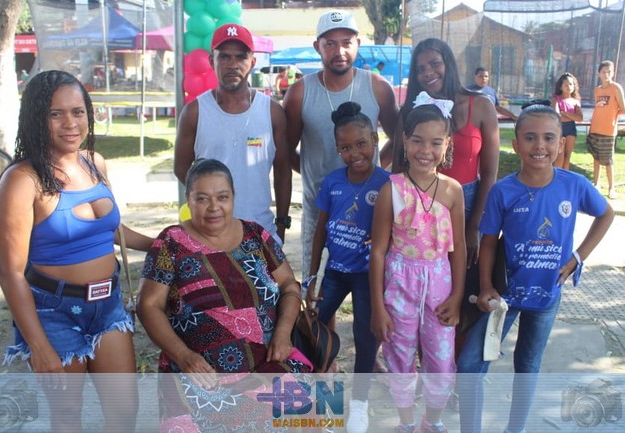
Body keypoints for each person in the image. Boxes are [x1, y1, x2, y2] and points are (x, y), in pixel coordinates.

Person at [0, 70, 154, 433]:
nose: (71, 123)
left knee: (124, 411)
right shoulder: (22, 180)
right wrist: (39, 346)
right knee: (68, 417)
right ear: (37, 118)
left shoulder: (94, 162)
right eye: (56, 114)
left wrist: (161, 242)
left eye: (78, 112)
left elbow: (110, 229)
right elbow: (10, 273)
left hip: (108, 305)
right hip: (53, 312)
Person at [457, 105, 614, 433]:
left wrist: (577, 257)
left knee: (528, 366)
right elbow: (489, 243)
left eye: (548, 138)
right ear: (516, 145)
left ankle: (516, 429)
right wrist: (485, 286)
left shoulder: (574, 185)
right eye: (530, 137)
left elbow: (606, 214)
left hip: (546, 298)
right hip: (504, 296)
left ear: (561, 144)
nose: (539, 145)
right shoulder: (503, 191)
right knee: (470, 365)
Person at [137, 158, 311, 431]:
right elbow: (148, 306)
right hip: (200, 374)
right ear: (188, 199)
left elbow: (289, 285)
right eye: (202, 199)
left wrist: (283, 333)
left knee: (312, 414)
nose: (214, 207)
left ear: (233, 197)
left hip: (269, 361)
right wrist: (183, 356)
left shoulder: (256, 235)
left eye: (222, 197)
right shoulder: (171, 243)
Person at [391, 39, 500, 356]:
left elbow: (489, 174)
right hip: (421, 207)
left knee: (463, 293)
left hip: (468, 203)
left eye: (435, 64)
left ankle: (454, 367)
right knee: (426, 289)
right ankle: (427, 361)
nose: (428, 72)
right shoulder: (410, 110)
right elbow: (398, 169)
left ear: (449, 63)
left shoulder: (480, 105)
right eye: (420, 68)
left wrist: (474, 226)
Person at [370, 94, 466, 433]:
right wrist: (378, 308)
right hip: (400, 283)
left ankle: (433, 421)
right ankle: (407, 423)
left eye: (436, 142)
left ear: (447, 144)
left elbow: (459, 248)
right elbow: (378, 251)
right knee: (399, 354)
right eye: (417, 141)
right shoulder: (391, 190)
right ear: (404, 141)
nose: (426, 150)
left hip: (440, 285)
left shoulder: (453, 191)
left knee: (440, 357)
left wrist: (457, 296)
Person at [284, 9, 398, 281]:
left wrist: (372, 167)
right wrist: (313, 174)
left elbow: (399, 139)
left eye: (347, 42)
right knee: (317, 286)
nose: (340, 51)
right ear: (317, 46)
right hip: (319, 209)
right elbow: (286, 150)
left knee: (370, 286)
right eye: (330, 43)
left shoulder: (378, 88)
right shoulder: (300, 92)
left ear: (358, 43)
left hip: (369, 209)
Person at [305, 102, 390, 433]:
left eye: (361, 144)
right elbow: (320, 232)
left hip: (368, 276)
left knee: (365, 336)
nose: (354, 153)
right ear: (337, 148)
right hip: (335, 273)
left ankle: (359, 404)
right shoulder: (333, 182)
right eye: (345, 147)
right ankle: (321, 396)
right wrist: (312, 278)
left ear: (375, 140)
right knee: (313, 329)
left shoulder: (387, 184)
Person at [174, 23, 292, 244]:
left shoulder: (272, 111)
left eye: (240, 57)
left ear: (253, 62)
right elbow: (181, 167)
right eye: (225, 57)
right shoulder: (194, 112)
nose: (232, 64)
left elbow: (283, 170)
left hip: (260, 231)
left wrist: (282, 223)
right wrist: (206, 200)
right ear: (212, 61)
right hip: (209, 234)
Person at [587, 60, 625, 199]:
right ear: (599, 73)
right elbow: (598, 108)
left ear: (613, 73)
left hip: (608, 130)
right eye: (604, 72)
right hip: (595, 128)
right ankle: (596, 184)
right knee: (596, 158)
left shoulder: (616, 88)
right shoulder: (597, 90)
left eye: (609, 72)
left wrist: (612, 115)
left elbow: (623, 108)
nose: (606, 74)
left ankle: (611, 188)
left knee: (608, 160)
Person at [551, 72, 583, 170]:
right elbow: (556, 116)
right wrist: (572, 116)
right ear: (561, 87)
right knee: (559, 156)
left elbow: (580, 118)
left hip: (571, 129)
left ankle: (565, 176)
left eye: (571, 84)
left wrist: (566, 114)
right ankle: (557, 176)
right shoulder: (556, 99)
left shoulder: (575, 101)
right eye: (566, 84)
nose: (569, 86)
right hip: (559, 129)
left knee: (567, 157)